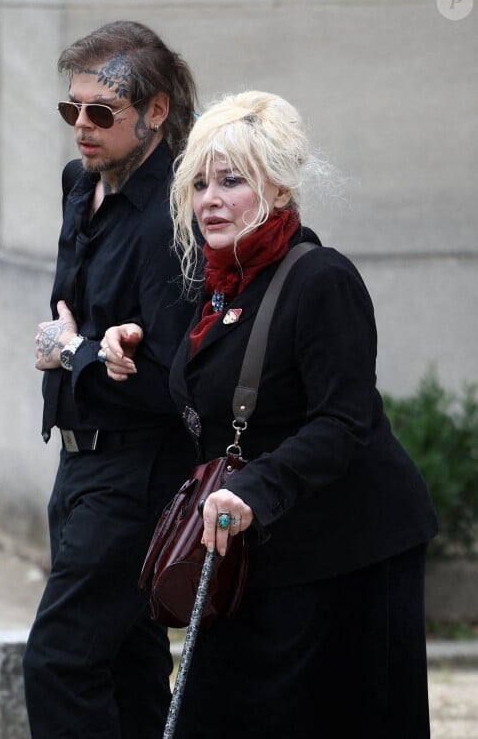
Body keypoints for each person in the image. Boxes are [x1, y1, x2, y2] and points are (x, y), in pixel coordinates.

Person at [102, 90, 439, 738]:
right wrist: (132, 349)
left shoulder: (321, 279)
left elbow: (345, 420)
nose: (210, 199)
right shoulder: (219, 284)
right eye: (200, 183)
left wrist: (252, 489)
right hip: (257, 554)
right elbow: (217, 384)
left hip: (349, 551)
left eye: (232, 181)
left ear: (279, 192)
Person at [23, 21, 199, 739]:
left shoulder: (172, 212)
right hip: (78, 458)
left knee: (58, 660)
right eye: (73, 110)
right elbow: (74, 316)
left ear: (156, 111)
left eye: (103, 113)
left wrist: (74, 352)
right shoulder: (81, 184)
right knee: (125, 659)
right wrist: (68, 345)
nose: (82, 129)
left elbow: (169, 377)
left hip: (139, 468)